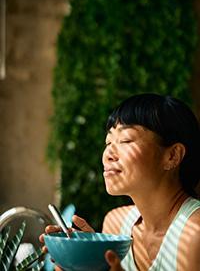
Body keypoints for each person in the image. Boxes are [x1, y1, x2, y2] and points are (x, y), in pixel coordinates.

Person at [40, 93, 200, 270]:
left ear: (172, 156)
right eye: (108, 142)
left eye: (125, 140)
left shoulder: (194, 235)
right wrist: (88, 262)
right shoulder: (116, 224)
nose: (108, 154)